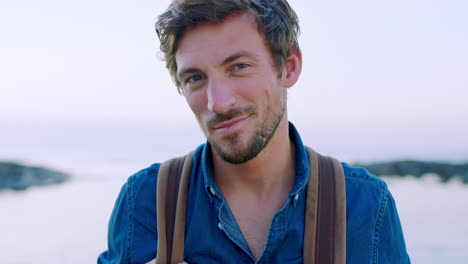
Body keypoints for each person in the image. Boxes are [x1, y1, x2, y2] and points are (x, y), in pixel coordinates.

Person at [98, 0, 410, 263]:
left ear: (288, 67)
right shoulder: (145, 200)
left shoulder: (365, 205)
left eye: (239, 66)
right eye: (195, 78)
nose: (218, 103)